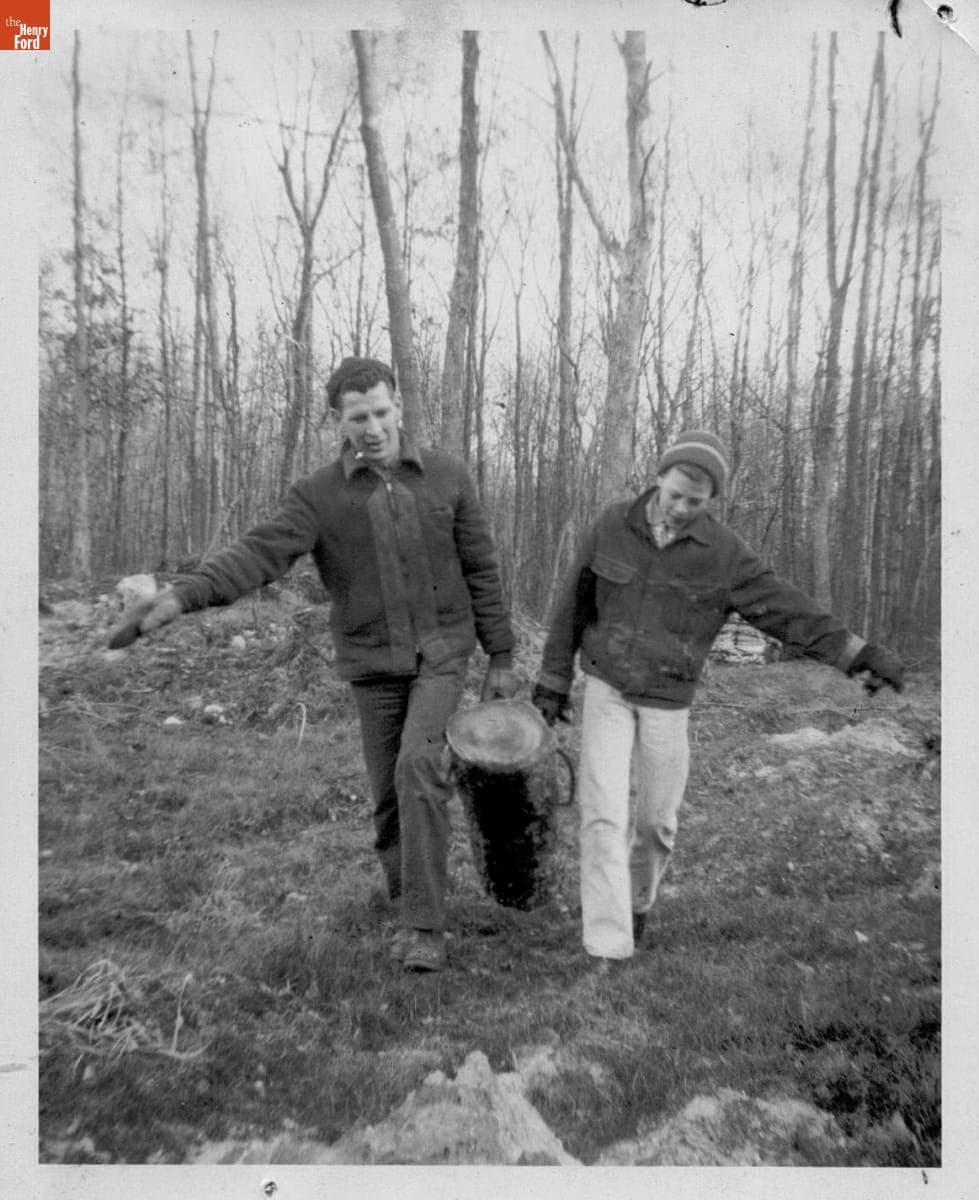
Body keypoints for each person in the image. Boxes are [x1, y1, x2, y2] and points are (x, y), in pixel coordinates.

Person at [110, 356, 518, 973]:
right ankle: (407, 894)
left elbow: (482, 569)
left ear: (399, 407)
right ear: (339, 420)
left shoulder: (448, 477)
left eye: (382, 412)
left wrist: (503, 653)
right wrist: (180, 597)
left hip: (441, 655)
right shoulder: (319, 496)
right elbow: (259, 553)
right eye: (359, 417)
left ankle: (424, 927)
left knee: (418, 767)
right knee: (387, 796)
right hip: (371, 661)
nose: (374, 427)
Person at [531, 430, 905, 965]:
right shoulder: (612, 524)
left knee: (656, 822)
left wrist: (857, 653)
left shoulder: (725, 555)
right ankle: (608, 945)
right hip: (608, 686)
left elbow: (787, 610)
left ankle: (638, 904)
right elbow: (572, 605)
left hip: (668, 698)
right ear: (658, 478)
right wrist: (552, 680)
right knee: (602, 815)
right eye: (675, 493)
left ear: (712, 501)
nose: (681, 508)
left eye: (696, 501)